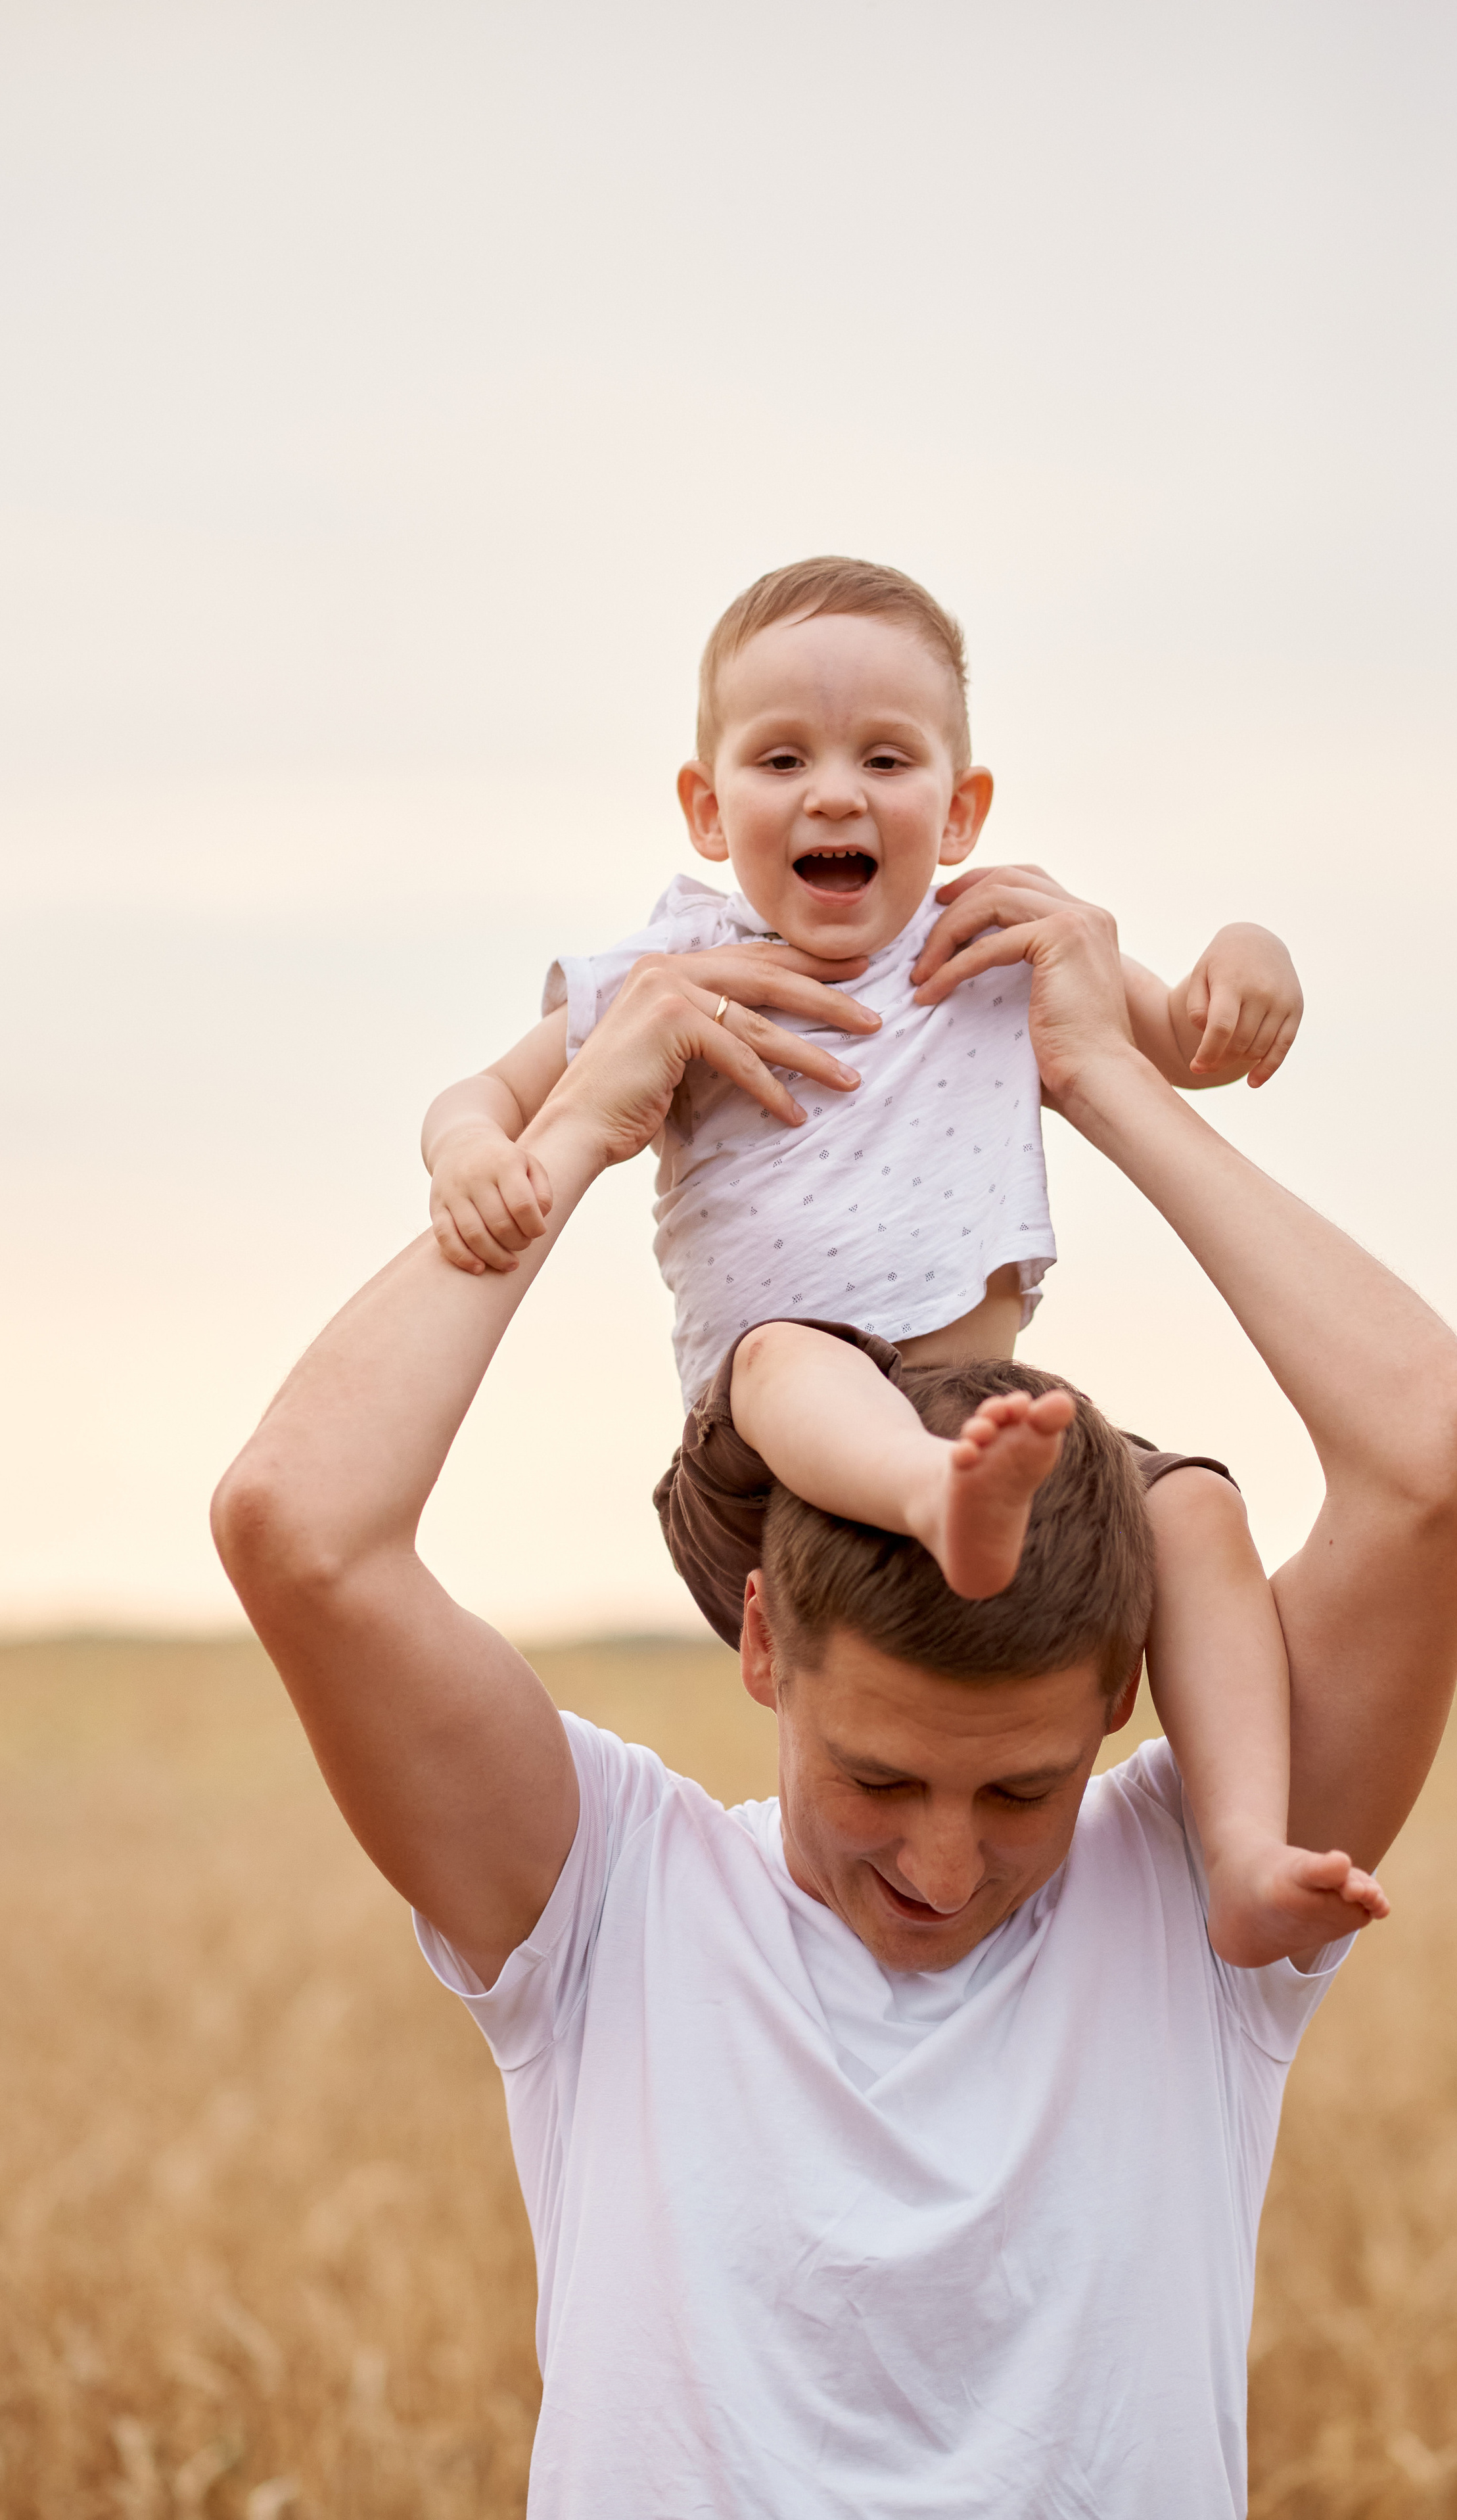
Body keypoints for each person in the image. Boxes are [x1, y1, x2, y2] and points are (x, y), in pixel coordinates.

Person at [212, 898, 1457, 2519]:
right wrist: (570, 1138)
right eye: (880, 1779)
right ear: (761, 1641)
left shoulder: (1207, 1905)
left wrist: (1105, 1079)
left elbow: (1442, 1457)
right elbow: (299, 1532)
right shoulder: (605, 1904)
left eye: (1024, 1793)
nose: (947, 1867)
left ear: (1125, 1693)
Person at [416, 555, 1369, 1966]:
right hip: (767, 1462)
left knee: (1200, 1515)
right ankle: (930, 1494)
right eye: (780, 756)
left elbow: (1189, 1041)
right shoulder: (670, 965)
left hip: (992, 1426)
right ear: (705, 803)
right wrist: (471, 1159)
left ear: (960, 804)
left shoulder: (996, 942)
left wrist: (1251, 954)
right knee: (785, 1355)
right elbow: (475, 1099)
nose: (834, 793)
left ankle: (1239, 1852)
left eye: (885, 756)